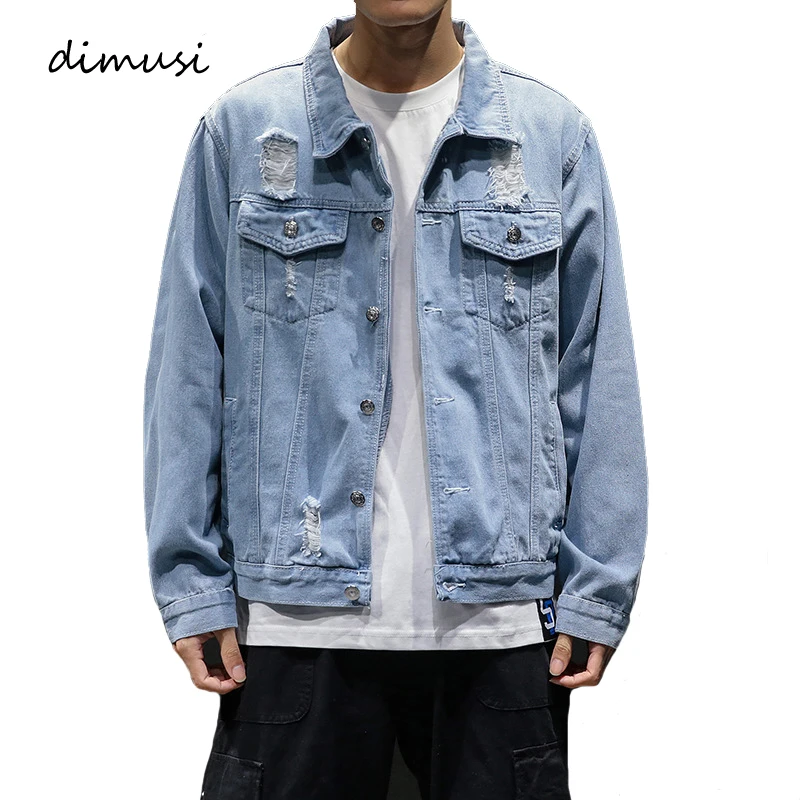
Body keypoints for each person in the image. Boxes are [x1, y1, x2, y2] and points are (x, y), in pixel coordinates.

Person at [142, 3, 648, 798]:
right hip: (291, 619)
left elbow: (596, 368)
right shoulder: (242, 131)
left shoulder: (550, 136)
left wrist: (599, 587)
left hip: (500, 627)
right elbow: (188, 368)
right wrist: (190, 581)